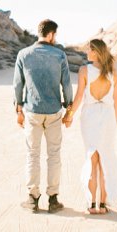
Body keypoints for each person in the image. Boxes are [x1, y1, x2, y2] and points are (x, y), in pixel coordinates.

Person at [13, 19, 73, 213]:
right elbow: (66, 84)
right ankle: (53, 199)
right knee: (54, 155)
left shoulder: (23, 54)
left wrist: (18, 110)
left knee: (32, 154)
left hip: (32, 112)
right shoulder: (59, 55)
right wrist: (69, 107)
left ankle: (32, 199)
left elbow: (18, 85)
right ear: (51, 34)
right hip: (54, 112)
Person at [63, 38, 117, 215]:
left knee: (92, 157)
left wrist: (69, 115)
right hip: (108, 116)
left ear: (96, 51)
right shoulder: (113, 71)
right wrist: (113, 122)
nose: (87, 52)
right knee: (105, 160)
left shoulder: (85, 70)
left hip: (90, 116)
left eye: (89, 49)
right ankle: (102, 205)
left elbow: (79, 96)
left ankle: (91, 204)